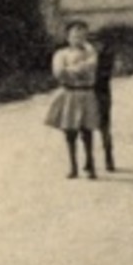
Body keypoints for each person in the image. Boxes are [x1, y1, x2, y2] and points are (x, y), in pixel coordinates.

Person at [44, 20, 102, 179]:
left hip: (86, 93)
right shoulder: (61, 54)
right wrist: (79, 69)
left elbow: (92, 67)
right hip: (69, 94)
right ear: (68, 37)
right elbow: (59, 72)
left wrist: (73, 70)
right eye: (75, 34)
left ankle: (90, 165)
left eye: (82, 34)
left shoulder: (91, 53)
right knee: (70, 132)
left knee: (87, 130)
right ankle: (73, 166)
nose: (78, 38)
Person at [92, 34, 117, 173]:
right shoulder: (84, 55)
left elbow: (104, 75)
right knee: (85, 127)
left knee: (104, 126)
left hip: (102, 94)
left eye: (98, 44)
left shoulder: (106, 59)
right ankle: (90, 160)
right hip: (87, 94)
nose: (96, 47)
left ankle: (109, 157)